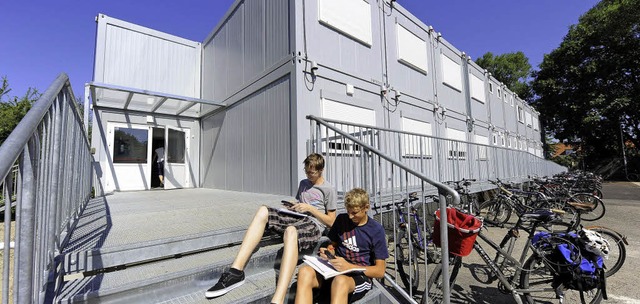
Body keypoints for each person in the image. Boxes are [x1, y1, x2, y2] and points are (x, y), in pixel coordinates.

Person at [205, 153, 337, 304]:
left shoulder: (328, 189)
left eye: (311, 172)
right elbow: (299, 202)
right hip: (297, 217)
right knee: (263, 210)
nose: (308, 175)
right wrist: (293, 207)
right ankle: (236, 272)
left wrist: (310, 209)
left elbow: (331, 222)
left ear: (321, 170)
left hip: (313, 224)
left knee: (291, 231)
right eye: (306, 171)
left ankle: (278, 299)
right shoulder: (303, 183)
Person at [295, 188, 388, 304]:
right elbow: (332, 245)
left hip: (358, 276)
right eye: (348, 212)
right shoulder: (341, 219)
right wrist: (329, 252)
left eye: (354, 213)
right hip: (334, 270)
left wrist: (349, 267)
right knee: (304, 272)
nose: (350, 216)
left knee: (340, 282)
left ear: (366, 208)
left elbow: (380, 271)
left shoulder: (376, 230)